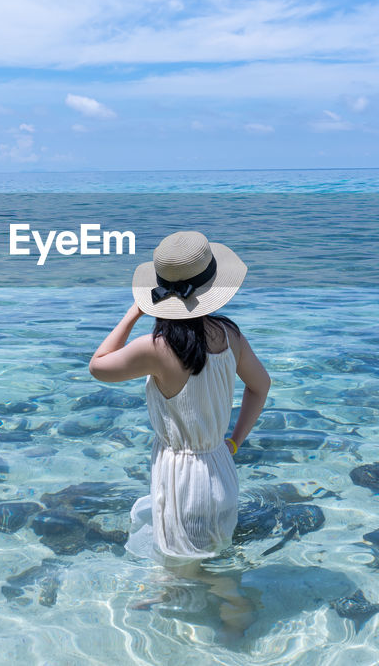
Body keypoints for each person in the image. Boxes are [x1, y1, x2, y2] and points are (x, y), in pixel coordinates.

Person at [88, 230, 271, 564]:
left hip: (183, 484)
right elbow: (261, 387)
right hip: (222, 468)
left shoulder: (155, 349)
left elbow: (97, 366)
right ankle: (232, 612)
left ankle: (223, 612)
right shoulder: (230, 336)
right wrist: (234, 443)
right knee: (219, 567)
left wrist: (134, 312)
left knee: (184, 576)